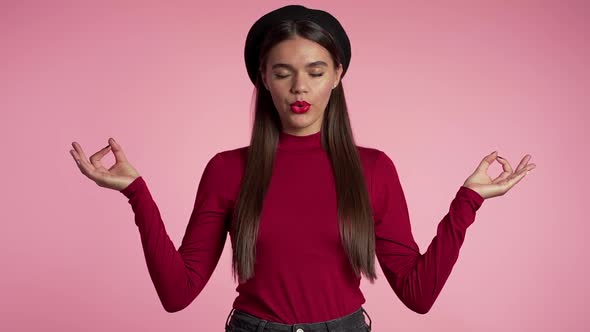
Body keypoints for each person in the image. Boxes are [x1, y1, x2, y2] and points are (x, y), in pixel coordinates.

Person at [69, 4, 536, 332]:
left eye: (315, 71)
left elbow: (417, 295)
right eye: (282, 71)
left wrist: (468, 201)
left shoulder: (373, 169)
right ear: (262, 78)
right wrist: (136, 192)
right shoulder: (228, 170)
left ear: (337, 76)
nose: (299, 87)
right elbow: (178, 293)